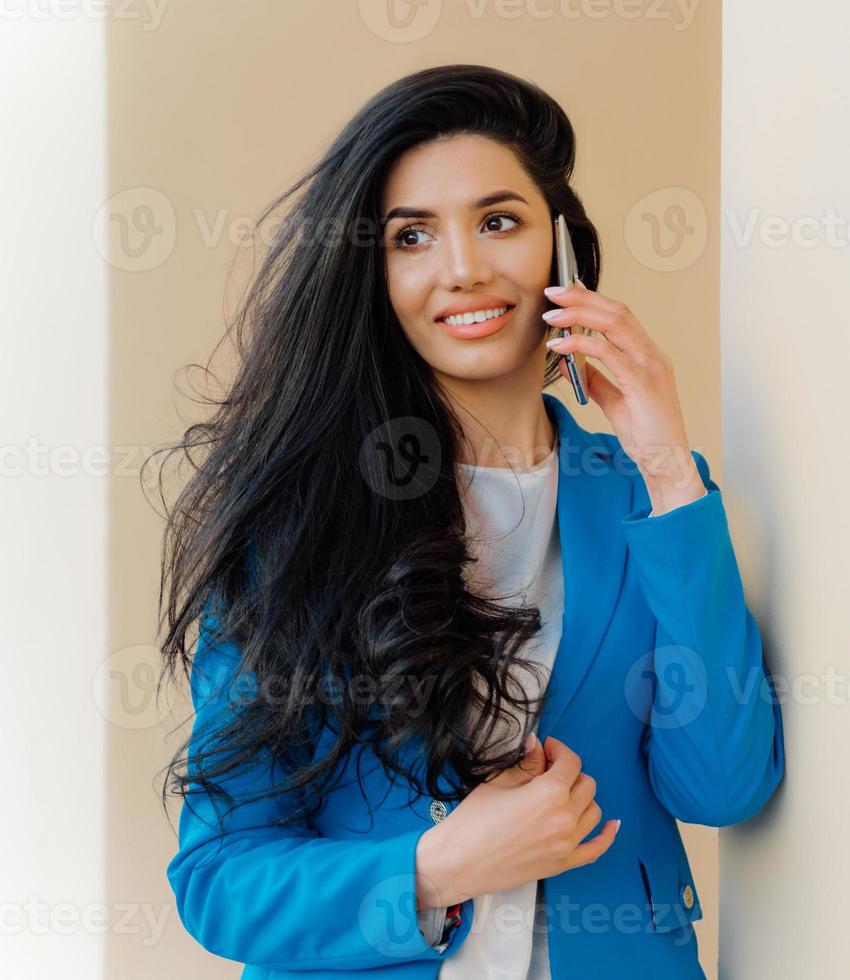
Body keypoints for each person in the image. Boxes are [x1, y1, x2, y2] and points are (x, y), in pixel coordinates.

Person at [154, 63, 784, 979]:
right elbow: (218, 877)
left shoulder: (647, 500)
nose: (463, 269)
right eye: (413, 237)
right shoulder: (304, 528)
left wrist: (662, 459)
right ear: (373, 277)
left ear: (564, 254)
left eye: (499, 221)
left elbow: (722, 785)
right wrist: (441, 865)